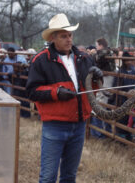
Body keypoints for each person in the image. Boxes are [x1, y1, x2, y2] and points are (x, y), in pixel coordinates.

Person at [26, 13, 103, 183]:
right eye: (64, 36)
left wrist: (97, 78)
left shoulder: (84, 58)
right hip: (55, 125)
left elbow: (92, 90)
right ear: (53, 38)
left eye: (70, 35)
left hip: (79, 124)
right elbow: (32, 91)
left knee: (69, 176)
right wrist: (56, 92)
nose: (69, 39)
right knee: (48, 177)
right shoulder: (40, 60)